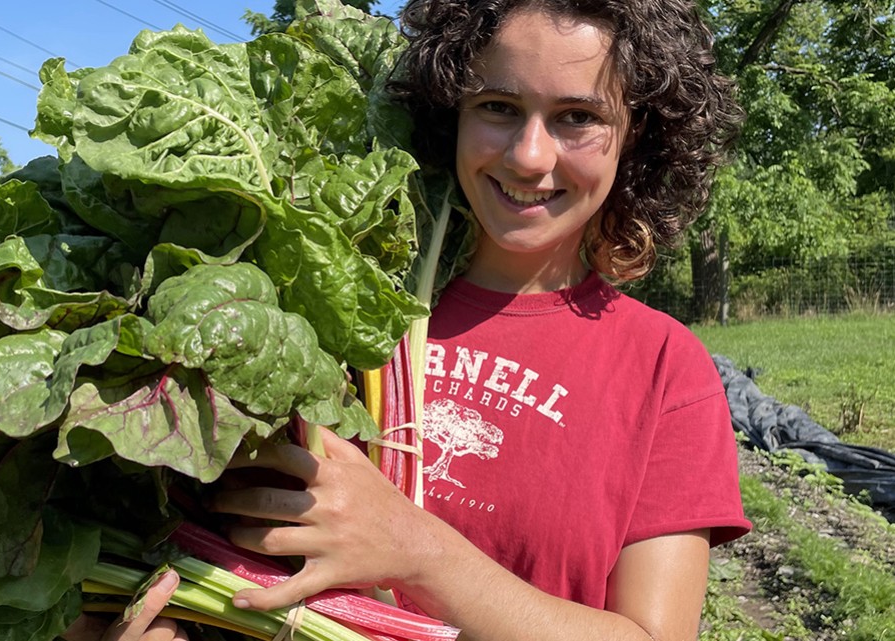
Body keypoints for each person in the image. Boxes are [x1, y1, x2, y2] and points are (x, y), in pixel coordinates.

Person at [73, 0, 751, 639]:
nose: (529, 156)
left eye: (577, 117)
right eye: (498, 106)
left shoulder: (665, 368)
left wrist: (416, 551)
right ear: (449, 111)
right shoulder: (319, 300)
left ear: (640, 136)